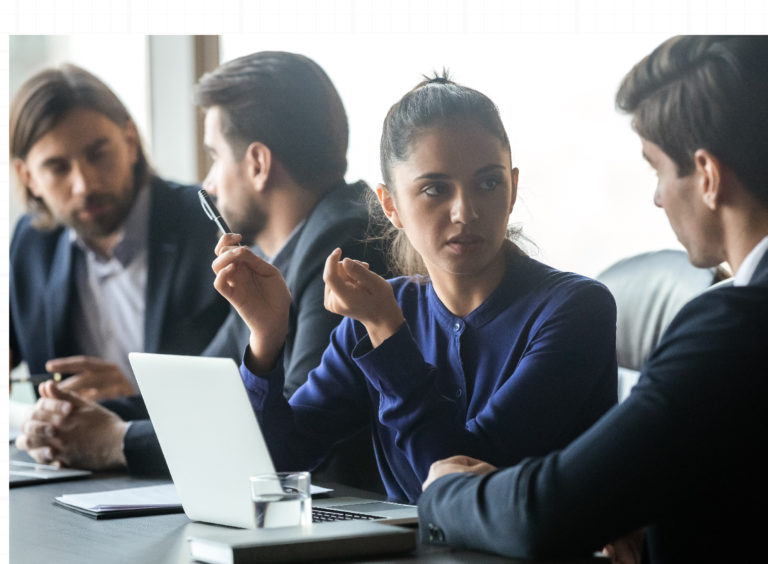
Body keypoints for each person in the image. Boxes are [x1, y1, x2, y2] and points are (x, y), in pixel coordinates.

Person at [418, 35, 768, 563]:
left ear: (709, 176)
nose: (656, 197)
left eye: (657, 170)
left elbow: (546, 513)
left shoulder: (735, 327)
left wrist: (444, 491)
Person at [213, 74, 618, 504]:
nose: (465, 211)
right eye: (435, 189)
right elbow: (274, 463)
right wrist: (267, 337)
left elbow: (461, 487)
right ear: (391, 206)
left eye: (488, 182)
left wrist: (389, 334)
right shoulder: (376, 316)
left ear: (513, 187)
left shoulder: (576, 309)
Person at [15, 52, 390, 486]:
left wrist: (117, 440)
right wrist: (68, 419)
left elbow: (291, 434)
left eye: (213, 156)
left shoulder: (340, 246)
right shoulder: (283, 253)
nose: (207, 185)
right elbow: (208, 392)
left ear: (257, 164)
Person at [10, 64, 230, 464]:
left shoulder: (208, 225)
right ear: (28, 177)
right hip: (75, 475)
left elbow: (246, 383)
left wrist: (135, 395)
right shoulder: (31, 243)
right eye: (58, 167)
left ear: (130, 141)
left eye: (98, 153)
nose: (85, 183)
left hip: (187, 470)